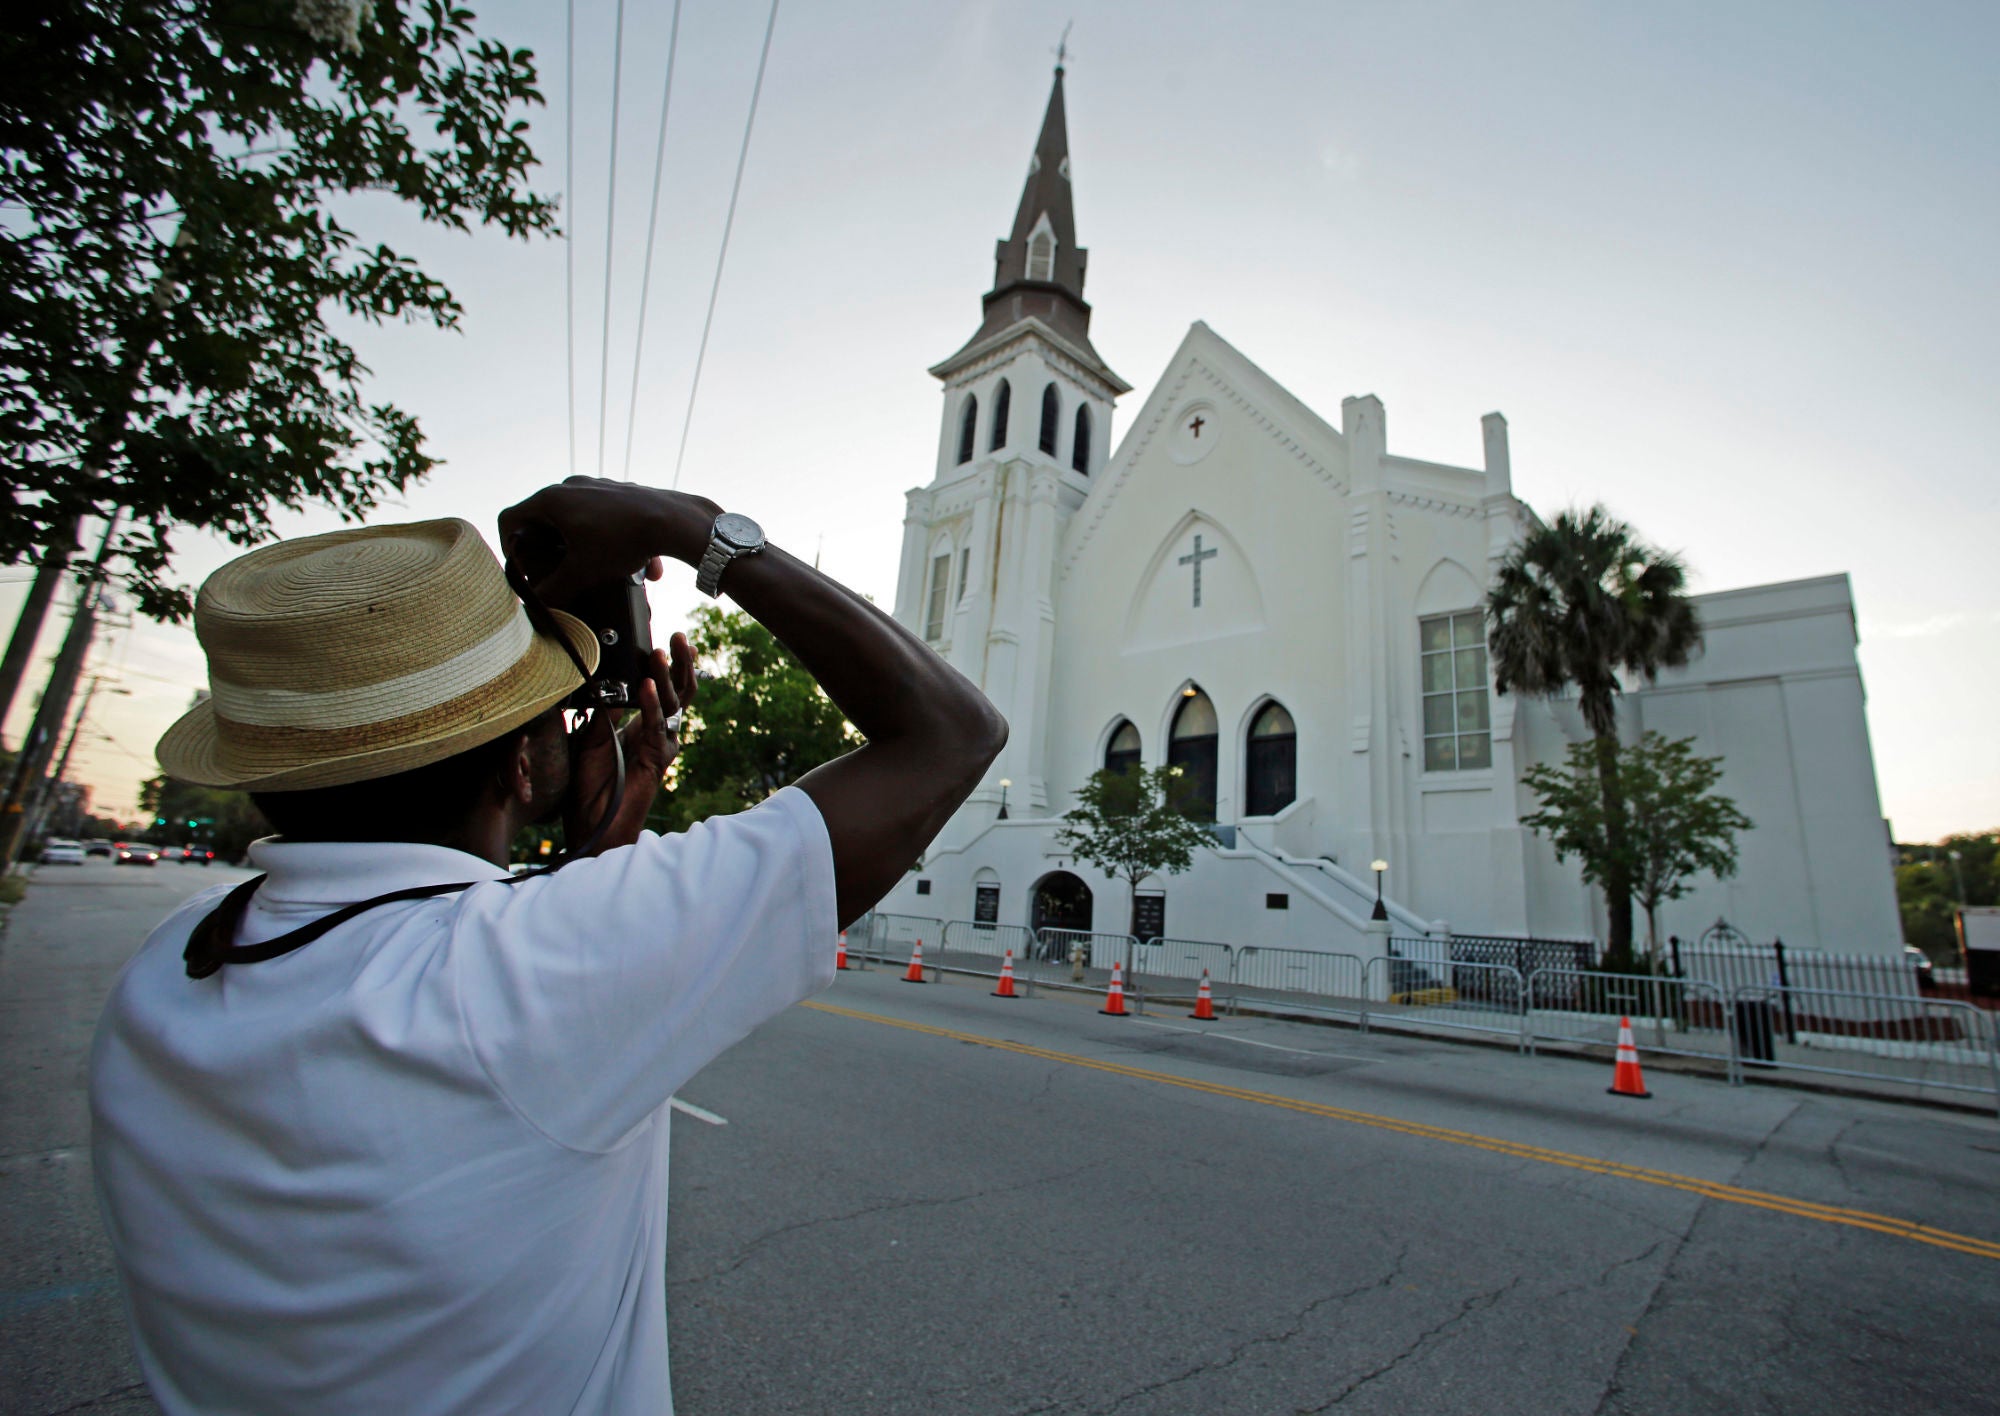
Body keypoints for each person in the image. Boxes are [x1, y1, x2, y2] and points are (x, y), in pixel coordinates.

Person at [89, 479, 1006, 1414]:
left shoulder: (170, 966)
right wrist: (689, 528)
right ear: (522, 765)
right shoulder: (510, 972)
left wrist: (595, 848)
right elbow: (953, 734)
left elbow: (483, 966)